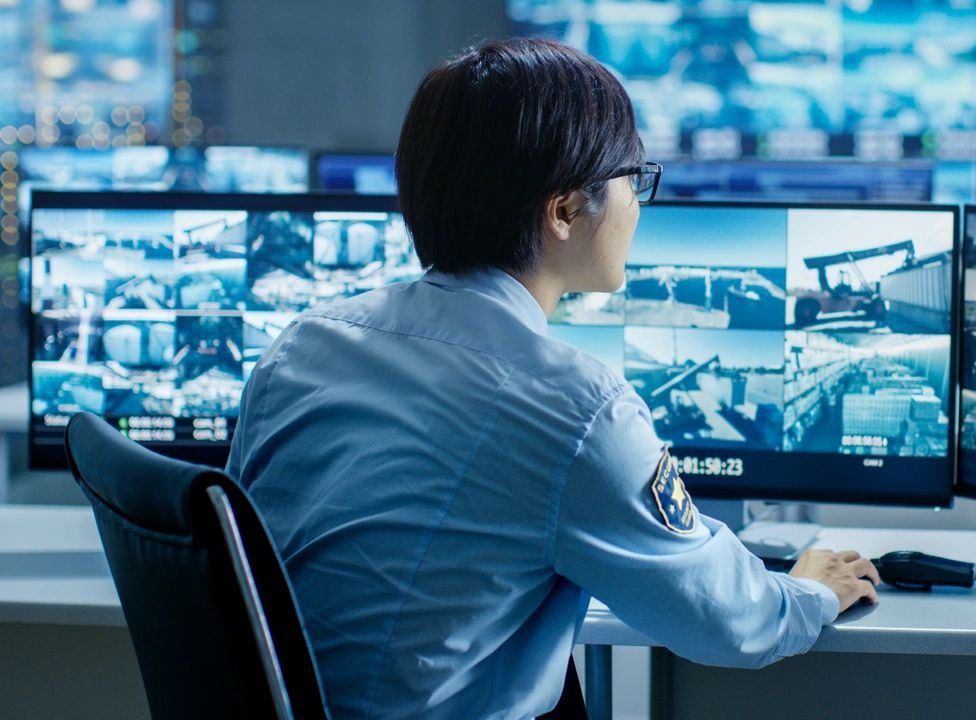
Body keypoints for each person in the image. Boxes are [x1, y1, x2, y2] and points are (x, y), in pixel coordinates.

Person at [226, 38, 878, 720]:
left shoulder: (303, 346)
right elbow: (724, 622)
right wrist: (810, 590)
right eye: (633, 177)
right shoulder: (573, 406)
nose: (636, 203)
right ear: (564, 210)